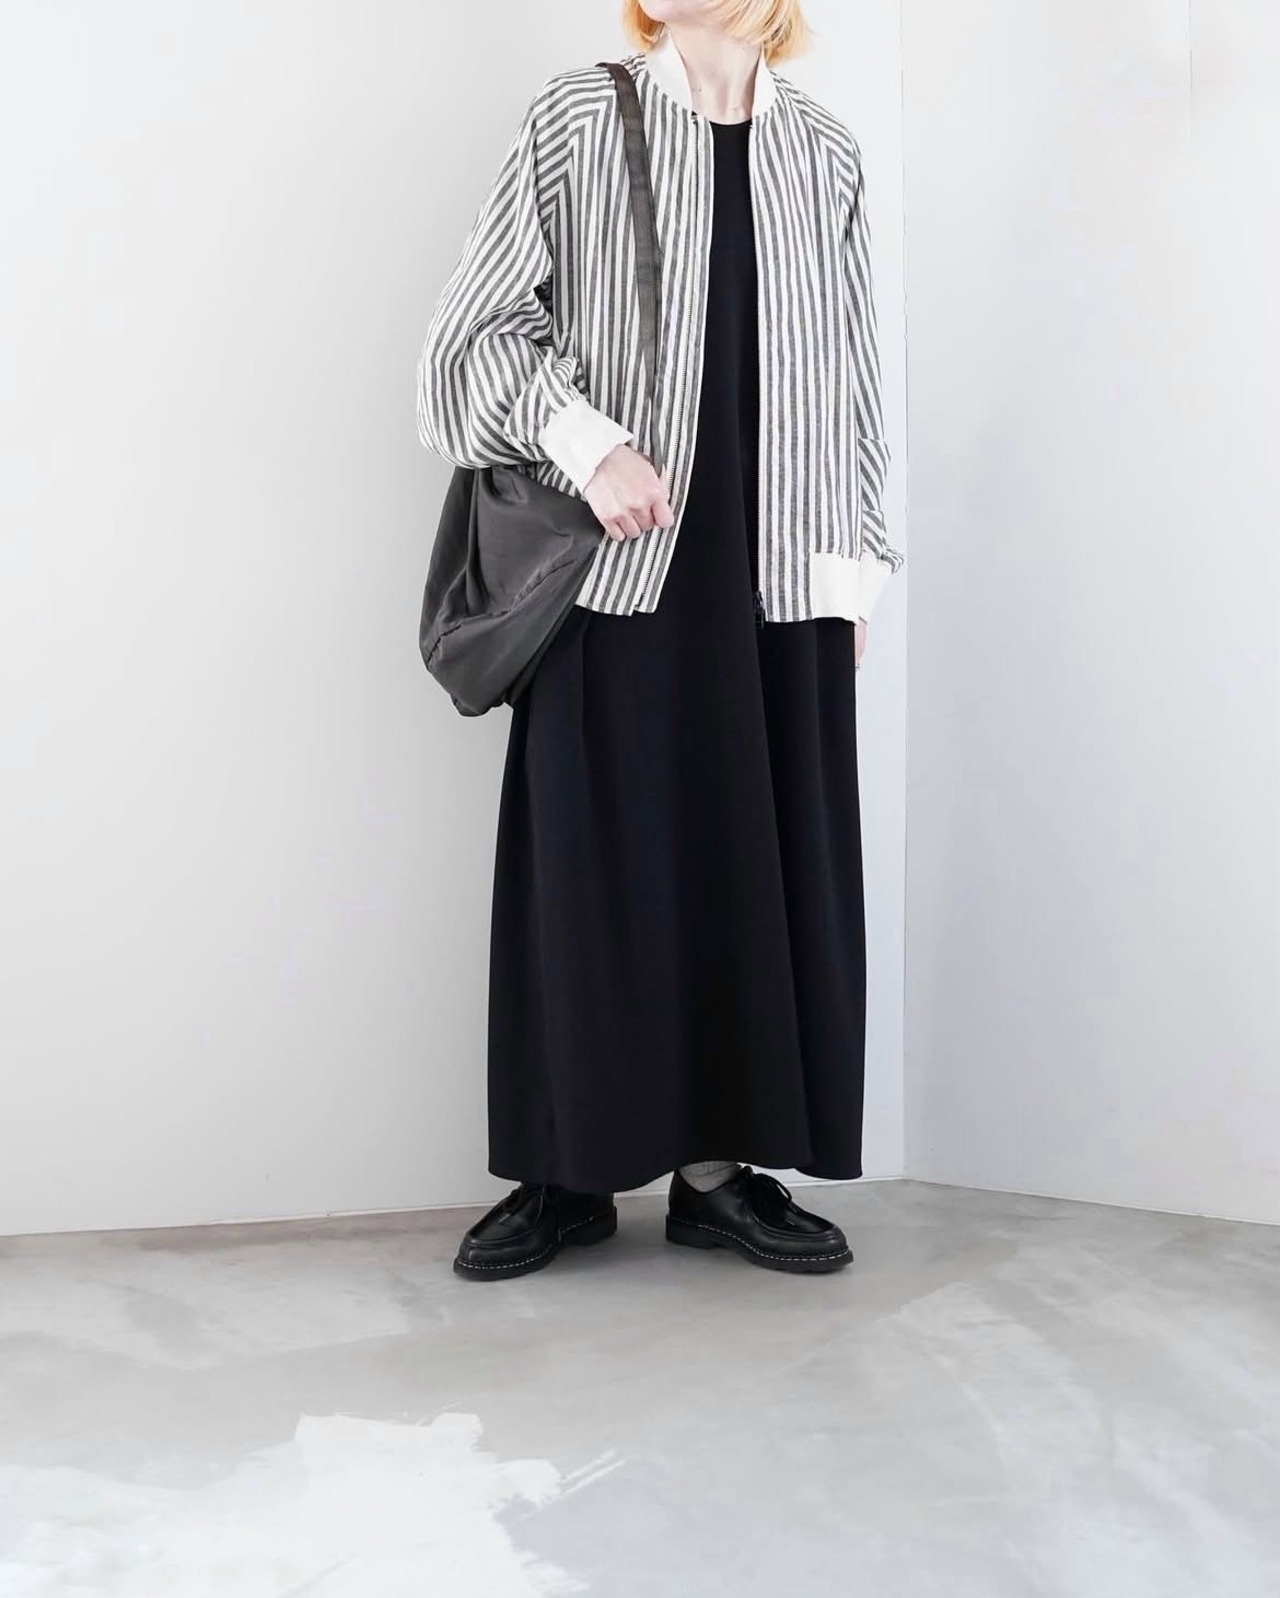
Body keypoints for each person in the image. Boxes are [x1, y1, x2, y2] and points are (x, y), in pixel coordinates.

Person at [416, 0, 904, 1280]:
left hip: (781, 569)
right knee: (590, 873)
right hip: (615, 569)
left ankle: (717, 1173)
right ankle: (566, 1169)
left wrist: (852, 572)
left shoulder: (825, 152)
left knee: (755, 868)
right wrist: (590, 445)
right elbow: (469, 338)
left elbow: (853, 373)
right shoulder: (582, 116)